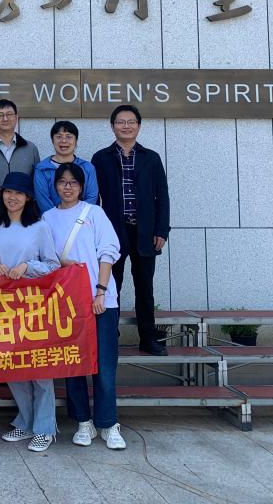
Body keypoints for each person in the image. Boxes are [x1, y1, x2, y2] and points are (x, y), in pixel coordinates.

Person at [42, 163, 125, 451]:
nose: (68, 187)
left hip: (101, 301)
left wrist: (100, 291)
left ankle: (108, 423)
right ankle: (83, 422)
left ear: (82, 186)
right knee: (73, 364)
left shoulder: (94, 213)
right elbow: (47, 258)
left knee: (104, 365)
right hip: (67, 303)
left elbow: (108, 252)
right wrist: (63, 263)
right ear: (55, 186)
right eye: (62, 182)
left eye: (73, 182)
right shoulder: (47, 218)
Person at [0, 172, 60, 452]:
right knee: (12, 365)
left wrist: (28, 266)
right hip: (4, 306)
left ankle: (45, 428)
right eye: (7, 192)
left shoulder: (40, 227)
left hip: (34, 305)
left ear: (28, 198)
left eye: (18, 193)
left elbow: (52, 264)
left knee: (40, 367)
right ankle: (26, 422)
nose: (12, 198)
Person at [91, 105, 170, 356]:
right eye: (120, 122)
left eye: (131, 122)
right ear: (112, 126)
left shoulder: (151, 158)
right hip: (113, 232)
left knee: (145, 287)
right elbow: (93, 198)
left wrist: (162, 230)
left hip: (145, 232)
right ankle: (109, 337)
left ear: (138, 126)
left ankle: (148, 338)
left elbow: (162, 196)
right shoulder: (101, 158)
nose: (126, 126)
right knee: (111, 285)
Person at [0, 99, 40, 234]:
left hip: (24, 220)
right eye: (0, 115)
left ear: (16, 117)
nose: (5, 118)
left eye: (9, 114)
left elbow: (36, 186)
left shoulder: (30, 149)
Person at [34, 120, 98, 213]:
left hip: (82, 219)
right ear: (52, 140)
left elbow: (91, 196)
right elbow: (42, 200)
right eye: (59, 137)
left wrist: (78, 217)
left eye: (69, 137)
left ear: (76, 141)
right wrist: (59, 217)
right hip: (51, 220)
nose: (64, 141)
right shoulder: (42, 168)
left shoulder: (87, 167)